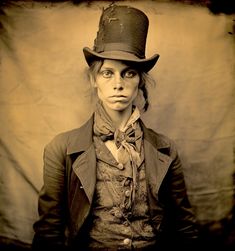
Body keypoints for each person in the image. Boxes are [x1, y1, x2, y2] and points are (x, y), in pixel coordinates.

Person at [32, 4, 199, 251]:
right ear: (93, 79)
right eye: (107, 73)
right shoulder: (61, 149)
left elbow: (184, 228)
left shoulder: (165, 149)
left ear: (140, 80)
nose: (118, 84)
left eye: (129, 73)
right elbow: (49, 232)